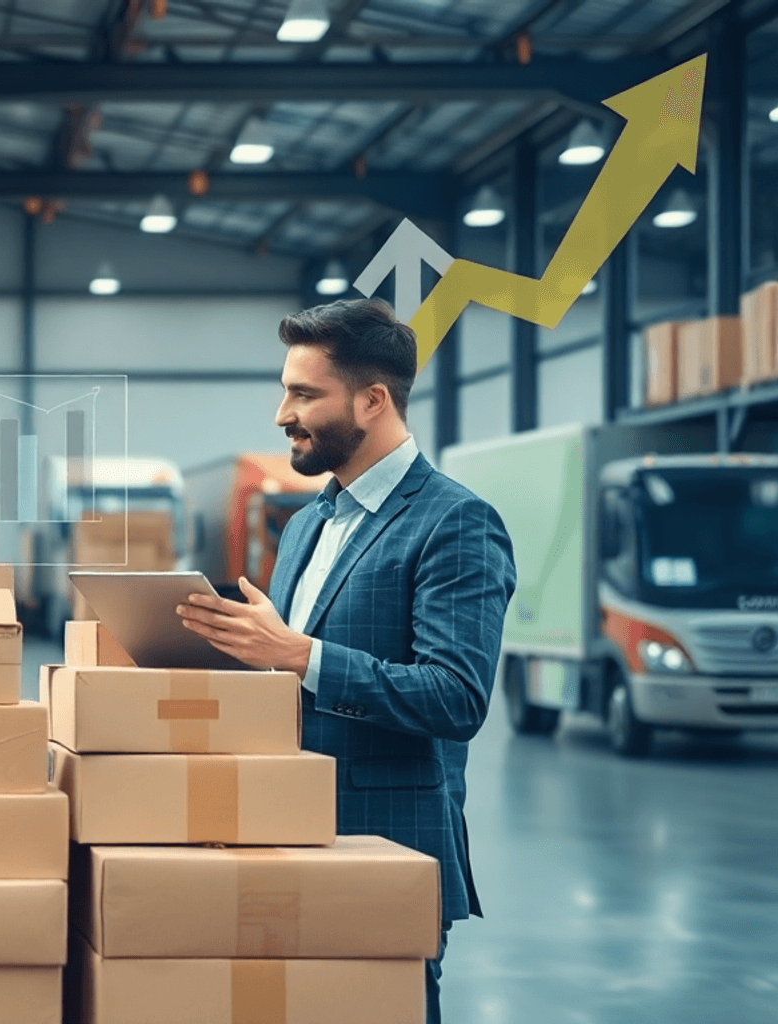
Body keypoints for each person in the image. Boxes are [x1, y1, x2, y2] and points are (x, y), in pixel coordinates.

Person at [173, 299, 516, 1024]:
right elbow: (288, 674)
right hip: (285, 831)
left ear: (372, 400)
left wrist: (297, 654)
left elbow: (455, 698)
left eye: (303, 394)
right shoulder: (305, 526)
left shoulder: (453, 522)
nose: (280, 414)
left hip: (385, 842)